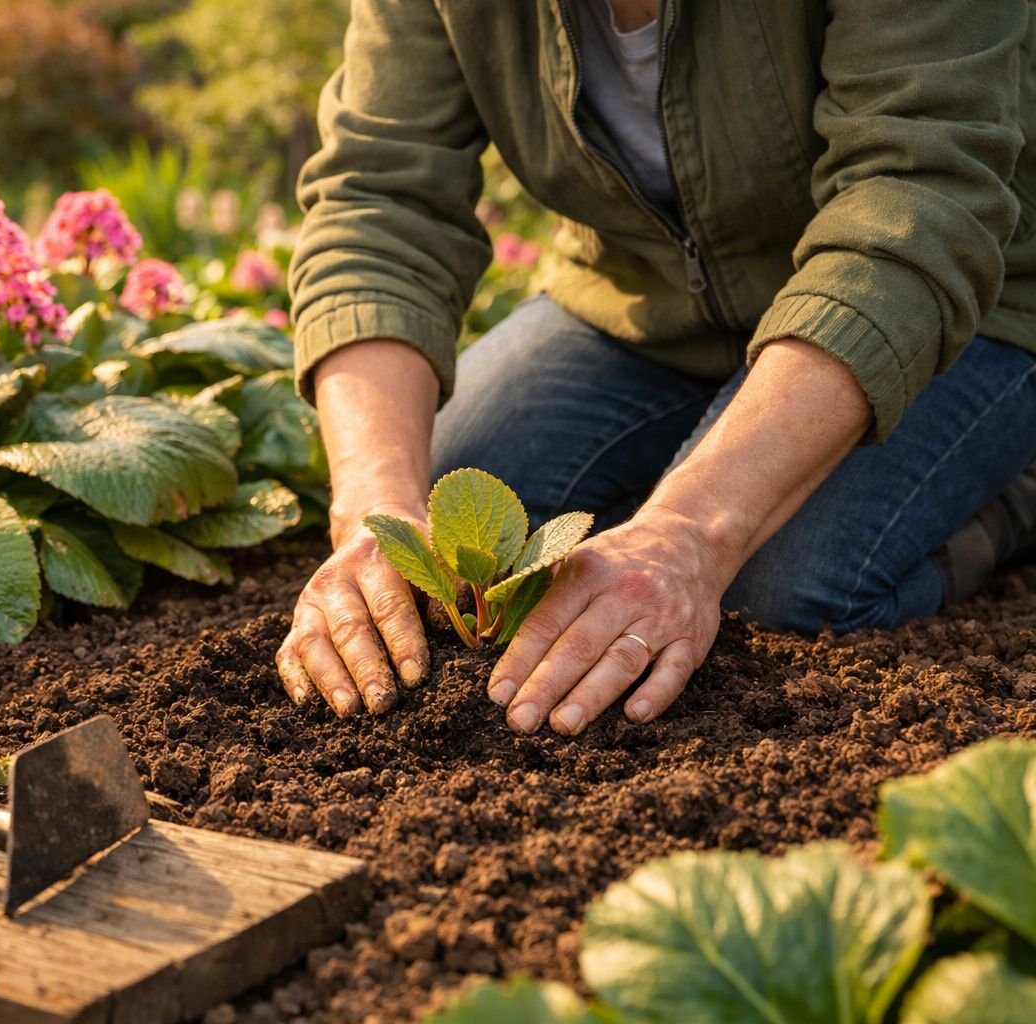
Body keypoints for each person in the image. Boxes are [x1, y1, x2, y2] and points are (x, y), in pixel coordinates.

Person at [279, 0, 1036, 735]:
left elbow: (915, 198)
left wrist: (688, 535)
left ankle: (1012, 487)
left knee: (771, 587)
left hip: (968, 299)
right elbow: (379, 201)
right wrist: (375, 512)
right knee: (456, 531)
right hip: (648, 304)